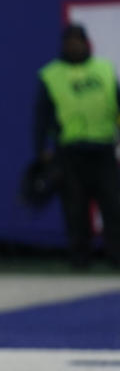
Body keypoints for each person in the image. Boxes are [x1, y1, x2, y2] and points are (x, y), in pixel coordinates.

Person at [35, 23, 120, 268]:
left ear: (86, 43)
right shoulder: (52, 74)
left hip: (102, 148)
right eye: (69, 42)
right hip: (70, 151)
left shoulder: (103, 69)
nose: (73, 46)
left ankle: (116, 255)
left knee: (113, 205)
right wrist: (41, 148)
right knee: (75, 207)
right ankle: (80, 258)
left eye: (77, 41)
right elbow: (42, 115)